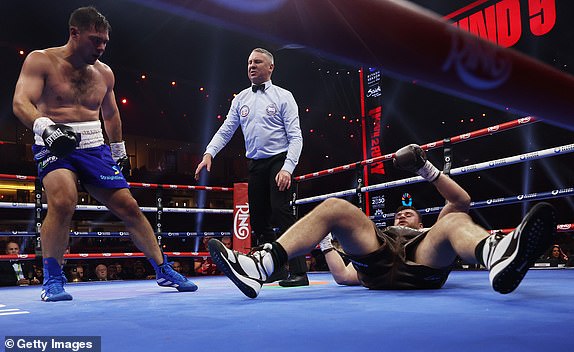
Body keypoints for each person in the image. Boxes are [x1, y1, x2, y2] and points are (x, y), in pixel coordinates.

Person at [12, 6, 197, 301]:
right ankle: (53, 280)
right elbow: (21, 102)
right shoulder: (41, 60)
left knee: (129, 206)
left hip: (95, 146)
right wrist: (46, 128)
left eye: (105, 42)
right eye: (95, 40)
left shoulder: (104, 73)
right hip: (55, 142)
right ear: (74, 33)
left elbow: (111, 114)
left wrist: (119, 150)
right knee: (63, 201)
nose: (101, 47)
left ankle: (163, 270)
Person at [208, 144, 557, 298]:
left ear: (419, 219)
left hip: (422, 261)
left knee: (454, 221)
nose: (403, 213)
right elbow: (345, 277)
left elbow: (461, 200)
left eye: (409, 212)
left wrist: (424, 167)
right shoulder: (380, 233)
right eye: (398, 213)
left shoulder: (430, 231)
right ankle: (259, 266)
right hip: (378, 262)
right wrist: (328, 239)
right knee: (335, 207)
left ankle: (498, 255)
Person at [195, 48, 308, 287]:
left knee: (281, 211)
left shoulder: (284, 96)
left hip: (279, 159)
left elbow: (296, 136)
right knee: (258, 220)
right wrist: (209, 153)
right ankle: (275, 271)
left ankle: (299, 272)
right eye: (249, 62)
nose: (252, 66)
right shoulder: (241, 99)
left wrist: (287, 168)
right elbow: (226, 129)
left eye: (257, 62)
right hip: (255, 163)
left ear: (270, 67)